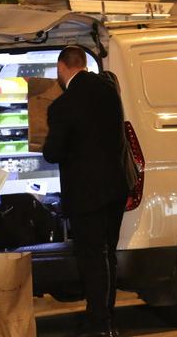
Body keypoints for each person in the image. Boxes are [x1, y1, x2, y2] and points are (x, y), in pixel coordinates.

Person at [43, 46, 129, 337]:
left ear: (62, 67)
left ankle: (98, 324)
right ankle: (108, 319)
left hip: (86, 195)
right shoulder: (109, 92)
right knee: (109, 255)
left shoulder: (62, 107)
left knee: (92, 258)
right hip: (115, 189)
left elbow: (52, 152)